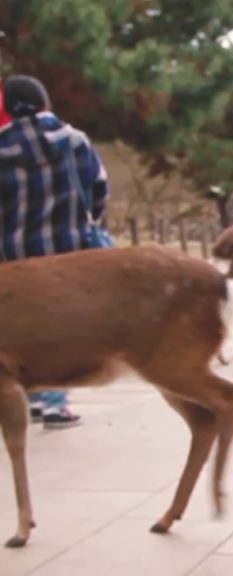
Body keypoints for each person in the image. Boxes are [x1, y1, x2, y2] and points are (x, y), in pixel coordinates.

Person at [0, 75, 111, 429]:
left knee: (27, 326)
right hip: (70, 252)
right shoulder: (74, 139)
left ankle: (31, 398)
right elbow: (99, 189)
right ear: (45, 101)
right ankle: (55, 404)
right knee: (63, 325)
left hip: (17, 254)